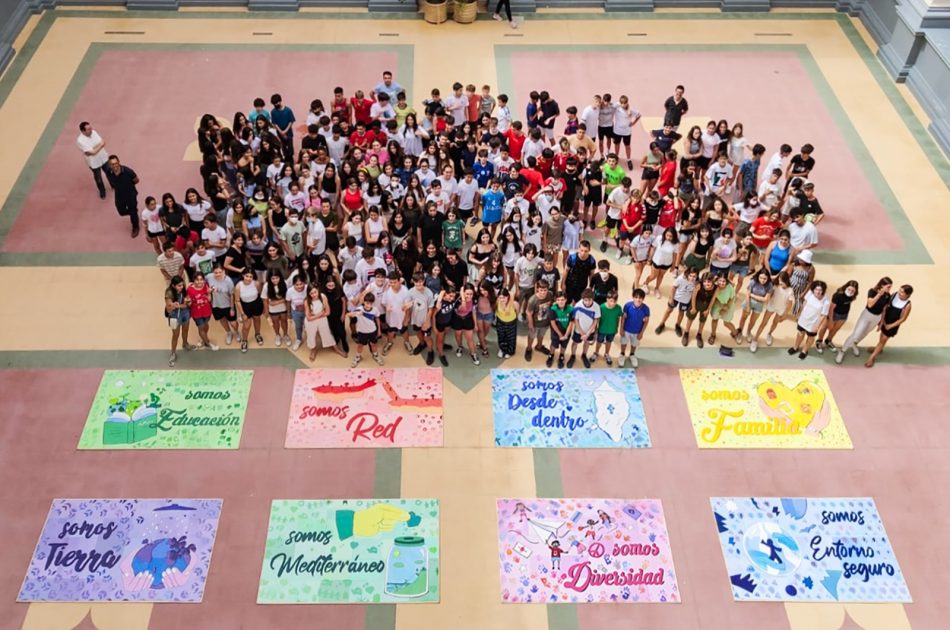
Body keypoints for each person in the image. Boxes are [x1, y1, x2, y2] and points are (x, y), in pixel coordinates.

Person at [836, 277, 892, 364]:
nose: (890, 289)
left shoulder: (888, 295)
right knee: (856, 334)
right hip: (867, 315)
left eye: (890, 287)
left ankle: (854, 344)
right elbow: (870, 305)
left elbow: (884, 309)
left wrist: (881, 321)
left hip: (877, 317)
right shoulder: (872, 291)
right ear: (882, 285)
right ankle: (842, 351)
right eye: (888, 287)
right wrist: (879, 295)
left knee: (865, 333)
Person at [865, 285, 913, 368]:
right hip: (885, 319)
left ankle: (871, 358)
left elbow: (903, 319)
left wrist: (890, 326)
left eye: (902, 292)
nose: (899, 293)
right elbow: (885, 306)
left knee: (883, 340)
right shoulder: (894, 295)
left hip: (892, 325)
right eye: (900, 290)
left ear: (907, 295)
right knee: (881, 338)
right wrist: (882, 319)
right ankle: (879, 348)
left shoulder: (907, 305)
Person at [751, 271, 793, 350]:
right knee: (763, 323)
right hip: (771, 306)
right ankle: (755, 339)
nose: (780, 282)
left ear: (786, 280)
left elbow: (789, 304)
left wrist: (785, 314)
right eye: (779, 280)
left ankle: (769, 334)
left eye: (782, 281)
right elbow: (770, 294)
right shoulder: (775, 286)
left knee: (775, 323)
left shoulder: (790, 290)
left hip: (781, 309)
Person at [788, 280, 829, 359]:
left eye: (820, 290)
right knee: (800, 333)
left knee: (810, 337)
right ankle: (795, 347)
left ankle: (804, 351)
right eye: (816, 289)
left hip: (813, 323)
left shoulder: (826, 302)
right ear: (813, 289)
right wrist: (799, 314)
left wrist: (817, 326)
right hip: (803, 318)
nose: (818, 292)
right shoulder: (810, 293)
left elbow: (823, 315)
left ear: (823, 290)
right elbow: (804, 303)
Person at [815, 280, 858, 354]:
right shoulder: (838, 295)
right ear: (846, 287)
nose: (850, 292)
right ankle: (819, 341)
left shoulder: (853, 296)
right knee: (824, 327)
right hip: (834, 313)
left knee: (835, 329)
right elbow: (831, 308)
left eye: (852, 291)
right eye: (849, 289)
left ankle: (828, 341)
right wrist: (830, 320)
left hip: (844, 315)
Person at [104, 155, 140, 237]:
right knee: (121, 211)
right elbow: (111, 181)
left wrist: (129, 186)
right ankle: (133, 212)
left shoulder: (128, 171)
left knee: (133, 211)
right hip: (119, 194)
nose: (114, 166)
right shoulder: (109, 172)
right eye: (112, 164)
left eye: (116, 163)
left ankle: (135, 227)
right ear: (109, 165)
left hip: (130, 194)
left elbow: (136, 180)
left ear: (119, 162)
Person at [348, 292, 384, 366]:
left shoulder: (375, 310)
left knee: (373, 344)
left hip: (372, 331)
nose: (369, 305)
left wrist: (379, 330)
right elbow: (348, 314)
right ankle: (358, 357)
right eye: (367, 303)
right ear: (364, 302)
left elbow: (377, 319)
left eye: (371, 303)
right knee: (360, 345)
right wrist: (355, 313)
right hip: (362, 332)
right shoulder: (359, 309)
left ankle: (375, 355)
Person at [164, 276, 193, 367]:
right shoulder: (169, 293)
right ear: (173, 285)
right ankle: (173, 353)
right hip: (174, 316)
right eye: (179, 286)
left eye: (182, 285)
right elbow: (168, 308)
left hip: (185, 314)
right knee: (175, 335)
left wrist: (188, 302)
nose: (181, 287)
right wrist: (174, 306)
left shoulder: (184, 290)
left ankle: (185, 344)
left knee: (185, 330)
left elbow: (187, 304)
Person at [681, 273, 716, 348]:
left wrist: (708, 309)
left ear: (713, 281)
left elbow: (713, 299)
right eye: (704, 281)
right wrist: (693, 307)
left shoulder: (716, 288)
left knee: (703, 320)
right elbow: (693, 296)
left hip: (706, 305)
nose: (706, 284)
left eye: (709, 282)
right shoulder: (699, 285)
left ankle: (699, 335)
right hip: (696, 303)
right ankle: (686, 333)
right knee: (690, 318)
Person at [76, 121, 109, 199]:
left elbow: (103, 142)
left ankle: (113, 185)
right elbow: (92, 152)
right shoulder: (80, 140)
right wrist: (99, 146)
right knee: (98, 178)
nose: (91, 130)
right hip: (93, 162)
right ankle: (102, 191)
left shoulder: (94, 132)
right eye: (88, 129)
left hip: (103, 157)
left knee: (109, 172)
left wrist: (94, 149)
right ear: (83, 131)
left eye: (90, 128)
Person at [186, 272, 218, 351]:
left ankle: (204, 339)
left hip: (207, 311)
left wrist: (209, 293)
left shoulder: (205, 286)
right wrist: (188, 301)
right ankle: (208, 343)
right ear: (193, 280)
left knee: (206, 325)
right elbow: (189, 303)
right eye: (197, 280)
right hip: (197, 313)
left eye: (201, 279)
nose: (199, 282)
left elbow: (209, 300)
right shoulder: (189, 289)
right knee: (201, 327)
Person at [567, 289, 599, 368]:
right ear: (582, 299)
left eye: (590, 300)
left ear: (593, 299)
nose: (587, 302)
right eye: (585, 300)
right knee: (575, 343)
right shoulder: (578, 306)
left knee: (587, 343)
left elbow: (595, 320)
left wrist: (587, 334)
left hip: (590, 331)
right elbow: (576, 320)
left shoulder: (596, 306)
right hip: (579, 330)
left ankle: (584, 355)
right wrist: (582, 333)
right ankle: (573, 356)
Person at [234, 269, 264, 353]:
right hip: (245, 306)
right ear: (243, 275)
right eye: (247, 276)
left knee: (257, 319)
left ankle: (257, 334)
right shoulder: (238, 286)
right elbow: (237, 301)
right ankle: (244, 341)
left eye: (251, 277)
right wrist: (242, 314)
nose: (248, 278)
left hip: (256, 304)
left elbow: (259, 293)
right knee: (246, 325)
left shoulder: (256, 283)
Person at [618, 288, 649, 368]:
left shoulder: (646, 309)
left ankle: (632, 354)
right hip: (626, 330)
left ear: (643, 299)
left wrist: (641, 333)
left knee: (634, 344)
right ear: (633, 297)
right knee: (623, 343)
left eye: (640, 298)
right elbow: (623, 318)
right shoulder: (627, 306)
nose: (638, 300)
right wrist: (621, 329)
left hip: (637, 331)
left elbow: (646, 322)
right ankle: (622, 354)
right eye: (636, 297)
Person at [591, 290, 622, 366]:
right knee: (599, 341)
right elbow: (597, 319)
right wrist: (596, 329)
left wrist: (616, 327)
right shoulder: (601, 307)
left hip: (612, 330)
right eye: (611, 301)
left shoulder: (618, 308)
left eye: (615, 301)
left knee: (609, 342)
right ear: (607, 299)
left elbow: (618, 318)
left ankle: (607, 353)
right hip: (602, 329)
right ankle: (596, 353)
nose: (613, 303)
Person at [548, 291, 573, 369]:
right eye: (558, 300)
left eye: (562, 300)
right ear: (556, 300)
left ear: (566, 300)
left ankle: (561, 356)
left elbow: (571, 323)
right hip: (556, 331)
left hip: (566, 331)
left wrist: (566, 335)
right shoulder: (553, 309)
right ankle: (551, 355)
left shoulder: (571, 309)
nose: (560, 302)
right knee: (553, 344)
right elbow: (553, 323)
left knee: (564, 345)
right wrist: (560, 335)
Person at [495, 288, 519, 359]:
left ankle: (510, 351)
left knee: (511, 338)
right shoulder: (497, 302)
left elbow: (517, 311)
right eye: (500, 297)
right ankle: (502, 349)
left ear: (508, 297)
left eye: (504, 297)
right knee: (501, 336)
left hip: (511, 323)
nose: (502, 300)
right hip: (500, 322)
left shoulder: (514, 304)